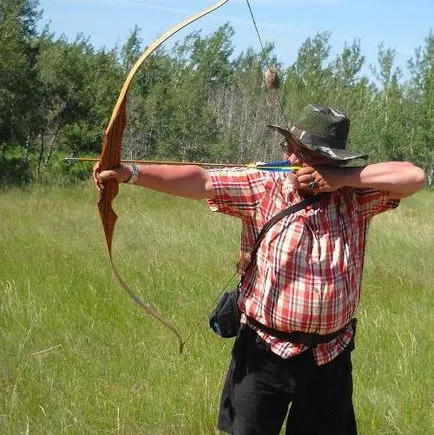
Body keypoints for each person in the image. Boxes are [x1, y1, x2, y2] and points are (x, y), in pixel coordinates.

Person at [93, 104, 426, 434]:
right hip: (263, 353)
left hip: (329, 356)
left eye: (306, 153)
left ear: (332, 160)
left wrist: (341, 179)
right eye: (291, 149)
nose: (292, 159)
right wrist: (130, 173)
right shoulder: (264, 185)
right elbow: (202, 180)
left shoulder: (355, 195)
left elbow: (414, 177)